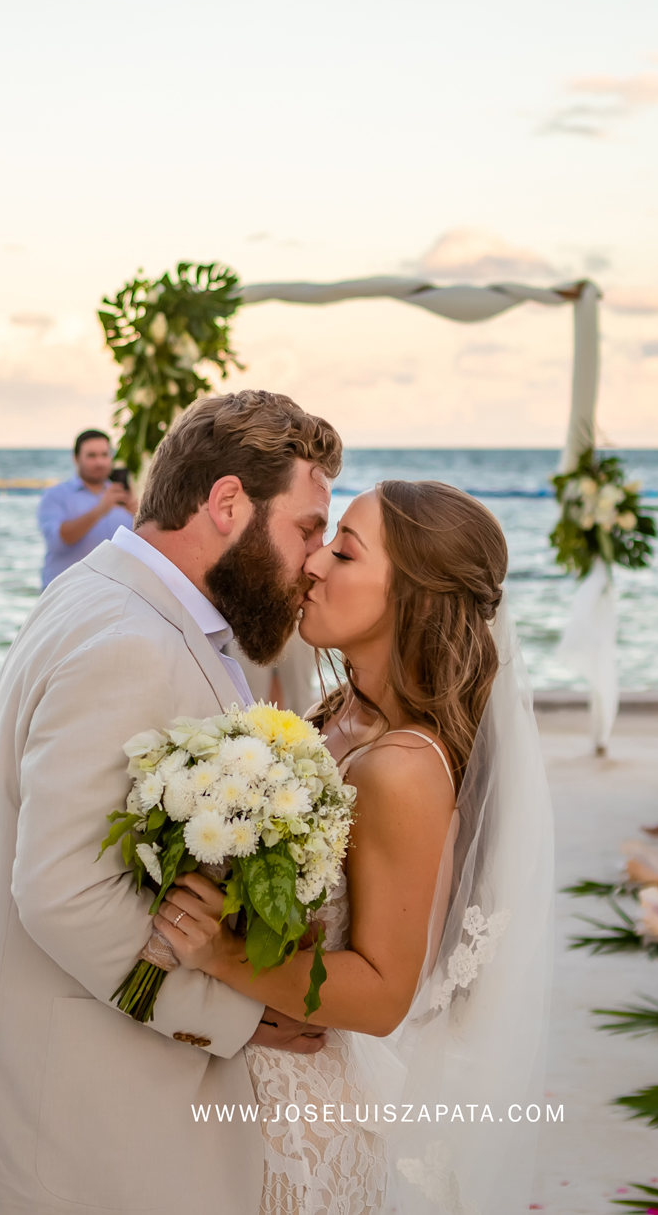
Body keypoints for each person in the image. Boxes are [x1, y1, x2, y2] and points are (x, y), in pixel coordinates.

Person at [0, 390, 348, 1215]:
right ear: (228, 504)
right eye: (306, 528)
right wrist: (228, 1014)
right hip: (82, 1116)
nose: (316, 559)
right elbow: (62, 887)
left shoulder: (117, 599)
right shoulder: (128, 639)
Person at [150, 477, 550, 1214]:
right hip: (246, 1078)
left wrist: (221, 954)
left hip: (299, 1121)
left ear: (415, 597)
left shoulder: (401, 769)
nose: (312, 565)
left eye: (344, 551)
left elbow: (384, 991)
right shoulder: (338, 713)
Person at [39, 428, 135, 587]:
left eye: (105, 455)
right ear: (76, 458)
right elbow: (58, 541)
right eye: (91, 455)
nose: (99, 462)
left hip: (113, 595)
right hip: (66, 594)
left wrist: (140, 516)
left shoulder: (124, 496)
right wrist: (100, 510)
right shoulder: (55, 495)